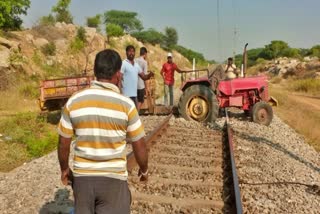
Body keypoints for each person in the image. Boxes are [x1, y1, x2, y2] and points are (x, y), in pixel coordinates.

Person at [57, 49, 148, 214]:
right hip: (114, 182)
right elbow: (139, 144)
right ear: (118, 75)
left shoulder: (74, 101)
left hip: (82, 181)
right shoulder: (127, 105)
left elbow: (63, 142)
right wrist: (144, 169)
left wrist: (65, 169)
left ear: (95, 72)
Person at [135, 47, 148, 111]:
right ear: (145, 54)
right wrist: (146, 88)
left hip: (134, 84)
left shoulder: (134, 60)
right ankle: (136, 114)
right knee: (141, 101)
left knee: (135, 100)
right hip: (141, 85)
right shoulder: (144, 62)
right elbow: (145, 76)